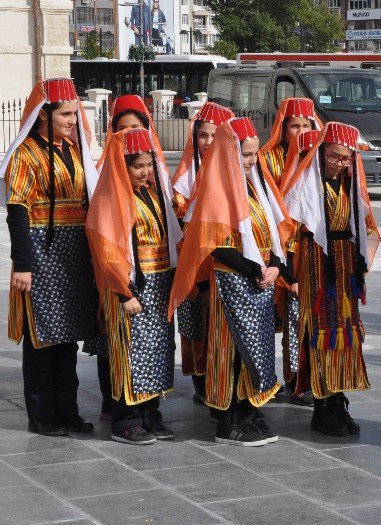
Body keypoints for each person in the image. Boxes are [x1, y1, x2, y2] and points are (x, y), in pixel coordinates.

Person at [169, 117, 293, 446]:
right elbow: (213, 243)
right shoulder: (215, 186)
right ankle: (228, 421)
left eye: (254, 154)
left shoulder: (257, 186)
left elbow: (275, 233)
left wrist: (277, 266)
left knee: (258, 349)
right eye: (246, 154)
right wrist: (254, 268)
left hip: (260, 283)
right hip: (233, 283)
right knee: (232, 351)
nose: (252, 161)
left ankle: (249, 412)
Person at [0, 78, 99, 436]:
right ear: (44, 115)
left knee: (67, 336)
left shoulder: (74, 150)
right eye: (66, 114)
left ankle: (68, 410)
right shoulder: (26, 154)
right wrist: (23, 265)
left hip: (72, 253)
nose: (74, 120)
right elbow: (18, 210)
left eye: (75, 114)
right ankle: (41, 413)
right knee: (42, 337)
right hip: (42, 250)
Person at [281, 122, 381, 437]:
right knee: (322, 333)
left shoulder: (349, 185)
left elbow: (364, 228)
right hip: (316, 266)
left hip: (344, 264)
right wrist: (292, 277)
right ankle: (323, 405)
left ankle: (340, 400)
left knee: (346, 334)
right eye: (335, 157)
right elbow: (290, 233)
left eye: (346, 158)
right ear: (322, 152)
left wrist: (359, 266)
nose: (340, 163)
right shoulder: (306, 186)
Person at [86, 128, 182, 445]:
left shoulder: (152, 195)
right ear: (122, 165)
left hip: (158, 285)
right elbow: (107, 249)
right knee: (128, 353)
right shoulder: (112, 199)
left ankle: (150, 414)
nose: (145, 172)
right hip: (129, 289)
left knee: (156, 351)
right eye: (137, 165)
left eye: (148, 165)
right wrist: (123, 292)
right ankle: (125, 419)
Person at [259, 98, 322, 405]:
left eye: (305, 125)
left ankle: (307, 380)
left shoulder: (320, 158)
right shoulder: (266, 158)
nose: (299, 131)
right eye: (293, 125)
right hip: (278, 247)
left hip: (312, 248)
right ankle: (290, 379)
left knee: (308, 316)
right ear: (282, 128)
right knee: (284, 318)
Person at [172, 102, 235, 403]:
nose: (208, 142)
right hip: (194, 269)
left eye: (214, 136)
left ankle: (223, 378)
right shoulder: (182, 182)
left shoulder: (235, 176)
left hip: (225, 265)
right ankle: (201, 379)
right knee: (196, 324)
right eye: (202, 136)